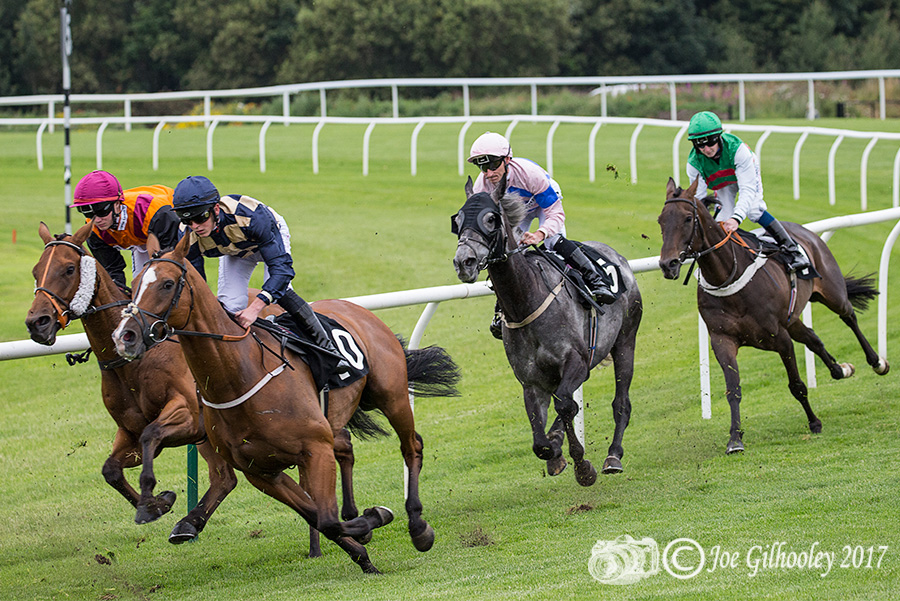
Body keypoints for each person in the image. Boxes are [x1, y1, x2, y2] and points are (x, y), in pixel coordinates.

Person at [172, 175, 346, 366]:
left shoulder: (251, 217)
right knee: (229, 305)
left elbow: (282, 271)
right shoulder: (188, 235)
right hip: (235, 251)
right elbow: (197, 286)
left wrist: (255, 308)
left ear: (216, 209)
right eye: (187, 220)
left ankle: (329, 348)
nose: (195, 226)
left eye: (200, 217)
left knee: (282, 292)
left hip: (268, 238)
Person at [467, 131, 617, 304]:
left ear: (507, 160)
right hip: (519, 210)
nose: (488, 173)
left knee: (553, 242)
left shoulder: (530, 174)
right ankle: (504, 306)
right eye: (483, 167)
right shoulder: (481, 187)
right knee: (512, 249)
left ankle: (596, 280)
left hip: (544, 204)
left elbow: (555, 214)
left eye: (493, 165)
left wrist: (540, 234)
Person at [685, 111, 811, 273]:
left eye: (710, 143)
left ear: (718, 137)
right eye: (700, 145)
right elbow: (700, 201)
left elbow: (747, 189)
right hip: (723, 183)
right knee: (722, 221)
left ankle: (793, 249)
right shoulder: (694, 164)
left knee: (753, 210)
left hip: (744, 174)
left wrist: (737, 218)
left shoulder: (738, 151)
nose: (706, 149)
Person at [73, 170, 180, 293]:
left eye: (102, 212)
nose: (97, 220)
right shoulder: (93, 230)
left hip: (173, 223)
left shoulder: (157, 214)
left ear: (117, 204)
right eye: (89, 213)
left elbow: (170, 264)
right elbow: (112, 270)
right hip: (142, 235)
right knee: (139, 288)